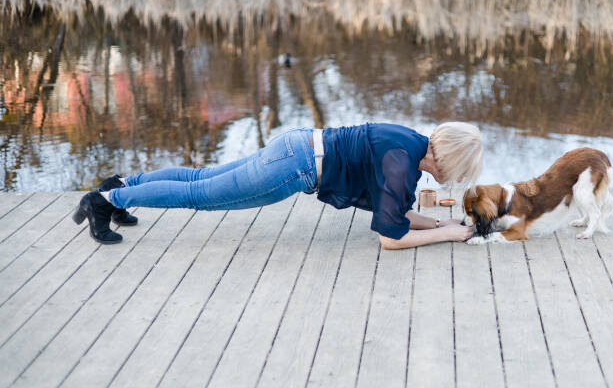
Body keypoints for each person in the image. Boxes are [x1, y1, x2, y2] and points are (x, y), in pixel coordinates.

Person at [74, 122, 481, 249]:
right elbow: (390, 238)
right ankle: (105, 199)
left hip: (298, 146)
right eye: (461, 170)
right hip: (296, 166)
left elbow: (396, 214)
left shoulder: (410, 144)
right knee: (200, 193)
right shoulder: (401, 164)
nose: (459, 179)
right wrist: (445, 234)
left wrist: (436, 224)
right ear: (447, 158)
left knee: (202, 178)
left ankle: (122, 185)